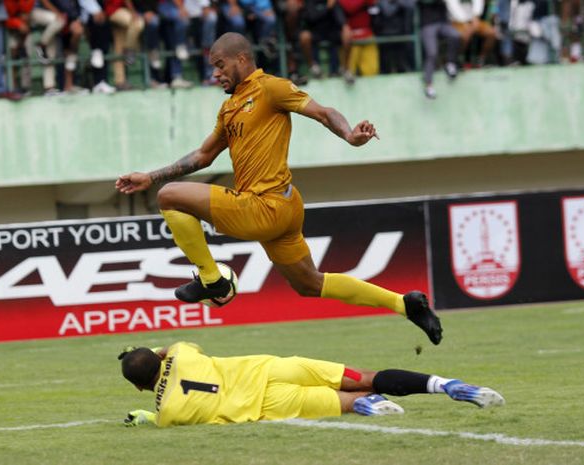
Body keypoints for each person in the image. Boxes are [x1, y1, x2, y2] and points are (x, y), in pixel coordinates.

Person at [115, 32, 443, 346]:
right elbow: (203, 155)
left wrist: (349, 136)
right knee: (310, 284)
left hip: (263, 206)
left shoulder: (271, 88)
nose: (215, 74)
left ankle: (212, 280)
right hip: (284, 207)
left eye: (219, 65)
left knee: (169, 196)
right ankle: (405, 304)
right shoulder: (229, 108)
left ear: (241, 59)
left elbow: (324, 112)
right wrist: (150, 175)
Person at [119, 343, 505, 427]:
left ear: (139, 388)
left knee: (349, 401)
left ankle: (369, 406)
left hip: (269, 403)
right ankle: (446, 385)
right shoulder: (183, 354)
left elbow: (155, 416)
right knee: (364, 377)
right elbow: (169, 348)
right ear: (159, 358)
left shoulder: (168, 414)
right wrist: (154, 350)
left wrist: (143, 415)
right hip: (278, 368)